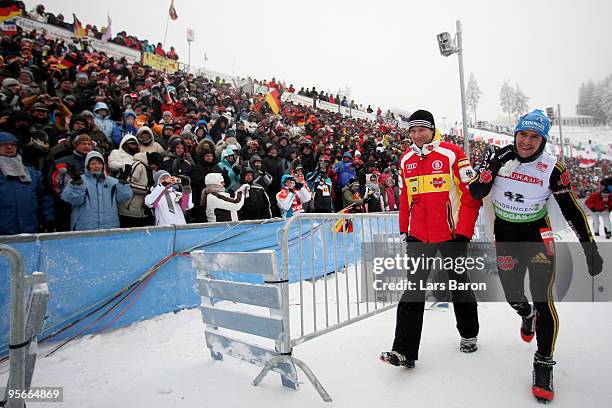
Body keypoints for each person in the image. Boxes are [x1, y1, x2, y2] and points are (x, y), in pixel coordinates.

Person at [469, 109, 604, 403]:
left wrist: (589, 248)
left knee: (544, 299)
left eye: (534, 136)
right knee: (513, 295)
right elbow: (476, 192)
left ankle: (543, 363)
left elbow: (572, 210)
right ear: (515, 134)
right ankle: (525, 313)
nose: (526, 142)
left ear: (543, 139)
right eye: (522, 134)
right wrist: (490, 167)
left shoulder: (552, 168)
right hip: (506, 235)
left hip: (537, 235)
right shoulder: (501, 157)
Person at [380, 110, 480, 368]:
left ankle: (469, 333)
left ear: (433, 130)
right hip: (418, 236)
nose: (416, 135)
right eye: (412, 130)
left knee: (458, 283)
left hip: (450, 235)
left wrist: (464, 233)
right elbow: (405, 199)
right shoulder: (406, 159)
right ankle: (403, 351)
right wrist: (405, 229)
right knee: (413, 290)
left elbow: (471, 197)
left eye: (421, 130)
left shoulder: (452, 154)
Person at [61, 151, 133, 231]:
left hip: (109, 225)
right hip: (85, 226)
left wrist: (123, 183)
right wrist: (77, 185)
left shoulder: (112, 182)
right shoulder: (79, 180)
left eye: (99, 163)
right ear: (87, 165)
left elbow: (123, 198)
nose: (97, 166)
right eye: (93, 163)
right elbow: (74, 200)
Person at [0, 132, 54, 235]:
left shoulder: (33, 173)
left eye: (13, 144)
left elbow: (44, 198)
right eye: (4, 144)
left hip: (30, 229)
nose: (9, 147)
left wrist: (49, 219)